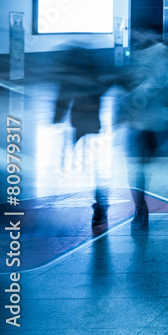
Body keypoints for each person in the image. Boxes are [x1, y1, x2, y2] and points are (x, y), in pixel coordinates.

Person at [118, 31, 168, 228]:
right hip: (151, 129)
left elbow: (125, 105)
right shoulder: (164, 78)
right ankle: (152, 203)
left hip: (149, 129)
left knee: (140, 168)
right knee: (146, 166)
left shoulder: (165, 79)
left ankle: (142, 208)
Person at [54, 43, 111, 227]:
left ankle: (100, 203)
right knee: (96, 163)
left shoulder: (72, 76)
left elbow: (63, 96)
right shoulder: (94, 74)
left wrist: (57, 116)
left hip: (80, 121)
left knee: (90, 161)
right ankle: (101, 204)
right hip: (92, 122)